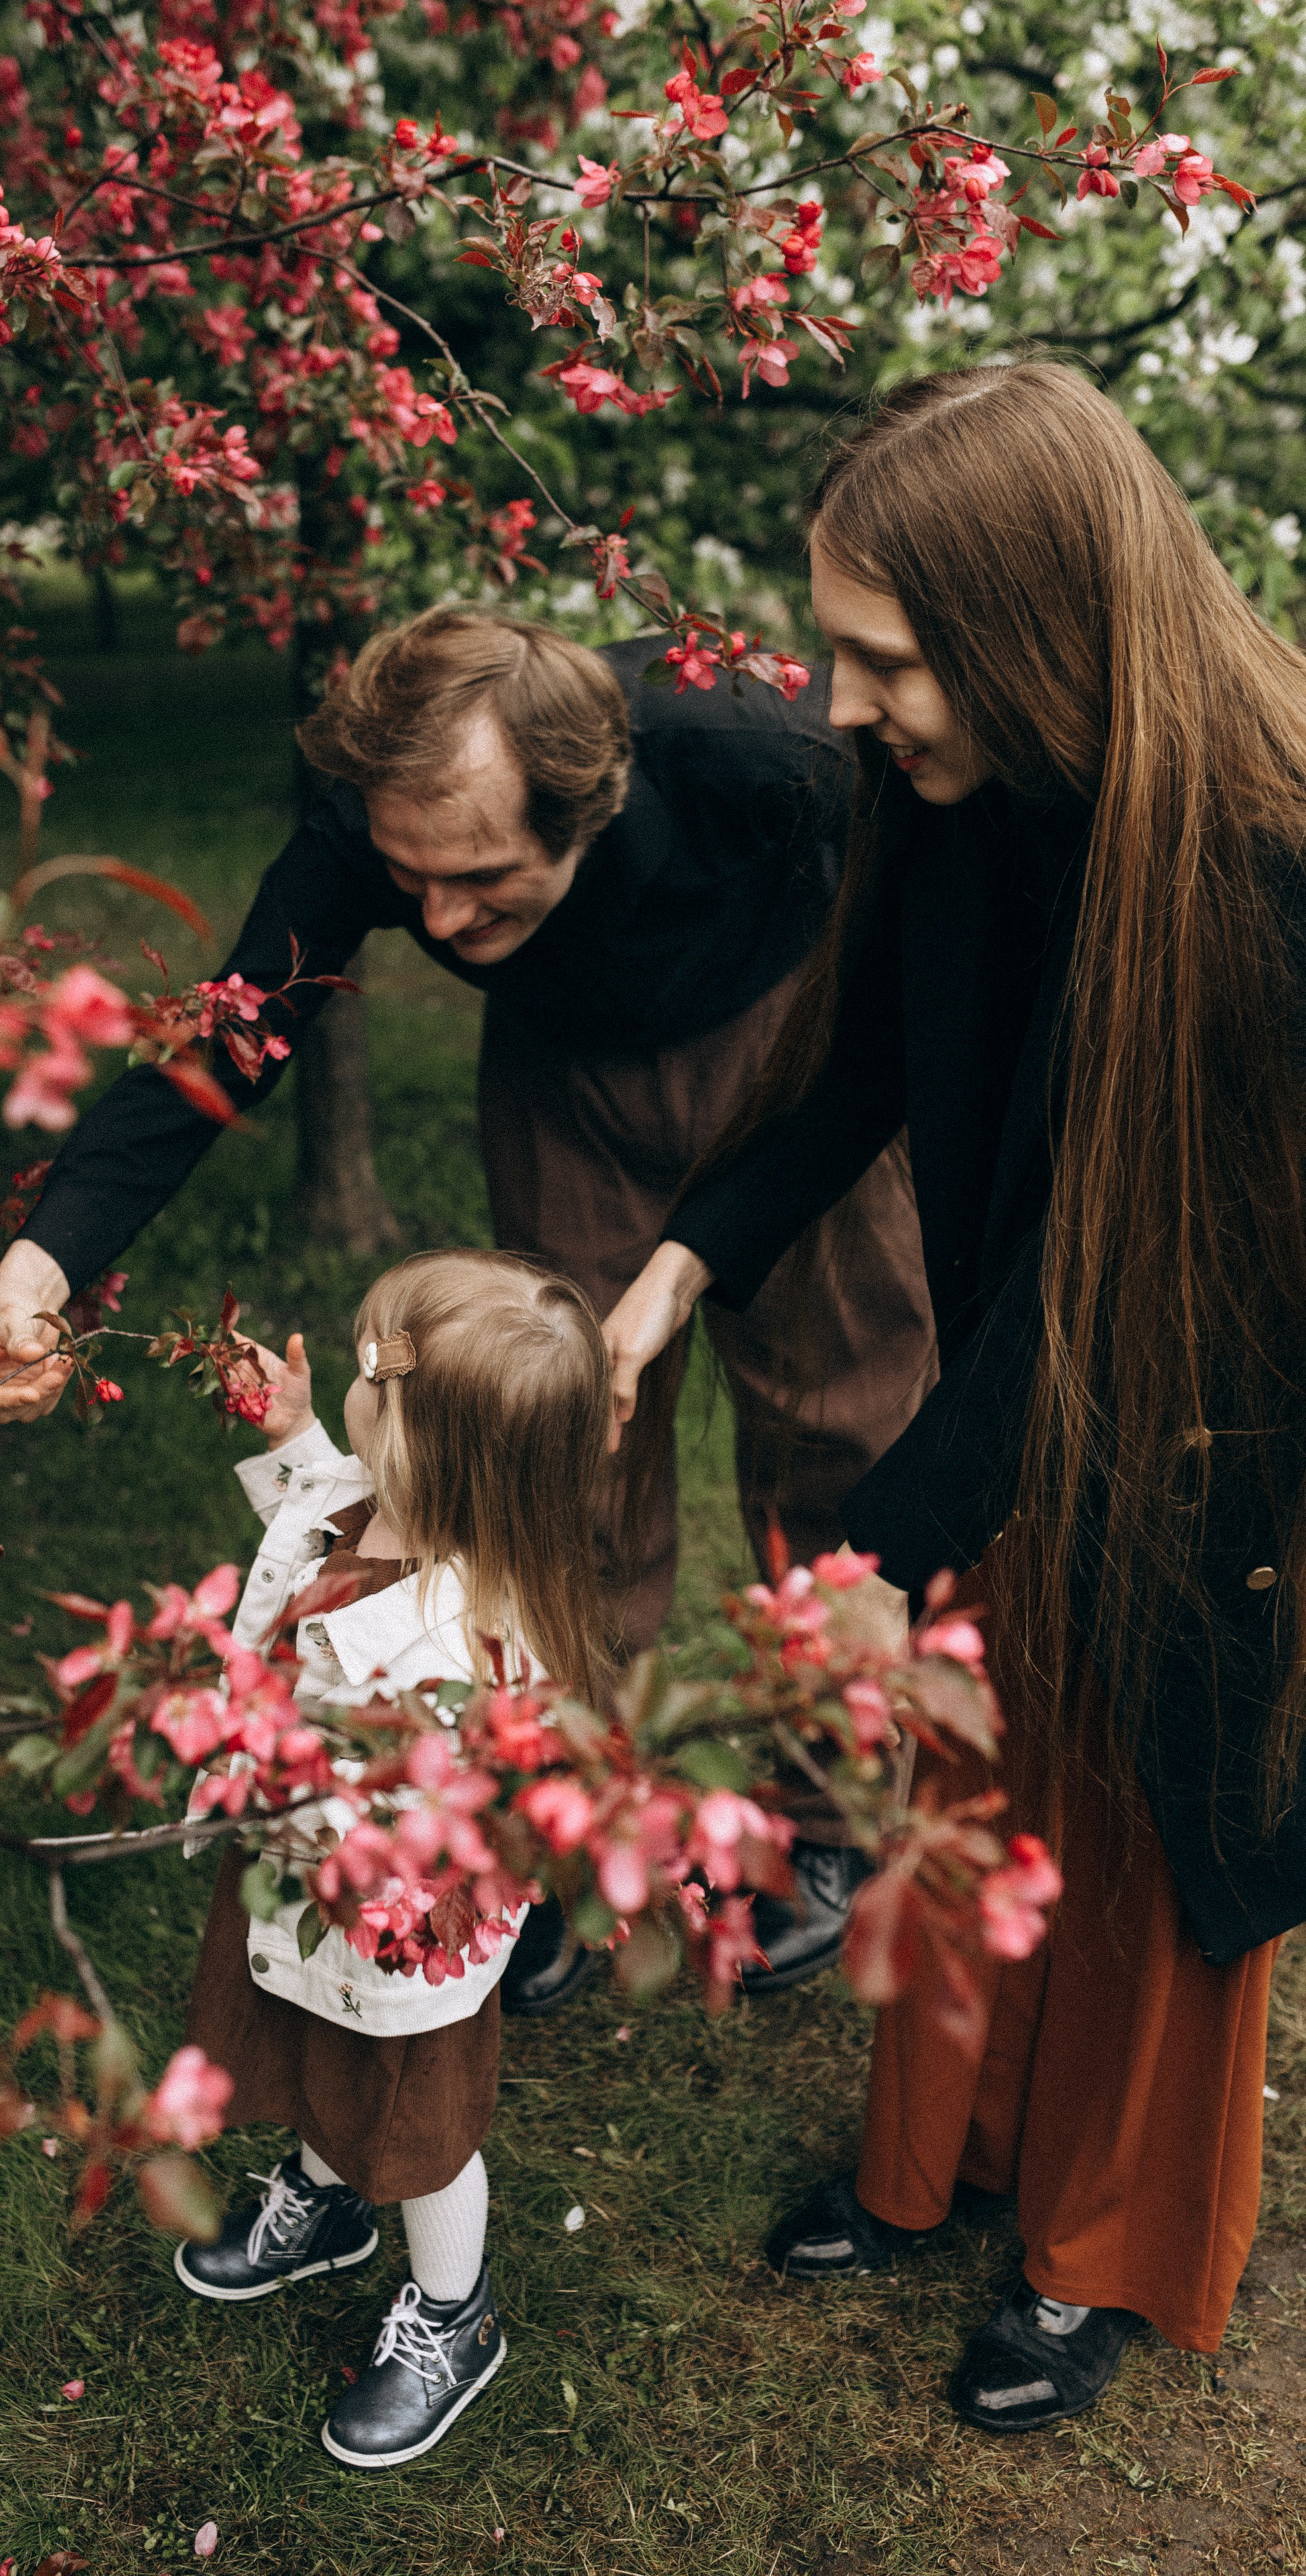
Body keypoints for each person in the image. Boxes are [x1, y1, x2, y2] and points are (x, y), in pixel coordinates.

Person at [602, 360, 1306, 2431]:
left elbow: (1129, 1284)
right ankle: (939, 2166)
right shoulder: (953, 796)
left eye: (877, 656)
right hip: (1023, 1380)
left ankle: (1097, 2251)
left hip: (1210, 1422)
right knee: (978, 1796)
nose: (833, 702)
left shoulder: (1257, 871)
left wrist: (891, 1534)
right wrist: (683, 1258)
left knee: (1153, 1851)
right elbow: (861, 1073)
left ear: (1028, 631)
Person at [0, 608, 938, 2008]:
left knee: (835, 1426)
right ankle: (559, 1828)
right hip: (562, 1077)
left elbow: (922, 948)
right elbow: (229, 1042)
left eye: (482, 880)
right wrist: (38, 1268)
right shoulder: (376, 825)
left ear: (587, 806)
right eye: (411, 884)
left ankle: (826, 1815)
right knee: (548, 1452)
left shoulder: (764, 751)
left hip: (795, 1048)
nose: (441, 924)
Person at [174, 1249, 610, 2469]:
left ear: (433, 1451)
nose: (355, 1382)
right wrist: (295, 1432)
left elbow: (431, 1816)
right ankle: (325, 2200)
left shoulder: (472, 1644)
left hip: (391, 1929)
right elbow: (312, 1522)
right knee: (312, 2043)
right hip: (293, 1884)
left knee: (419, 2121)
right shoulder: (369, 1496)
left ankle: (452, 2315)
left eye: (371, 1375)